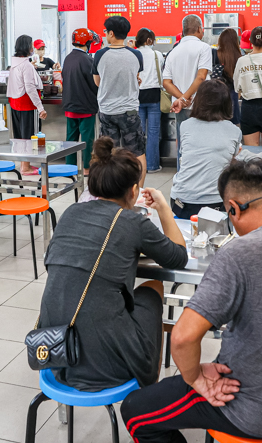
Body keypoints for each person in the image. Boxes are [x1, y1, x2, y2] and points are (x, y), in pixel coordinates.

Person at [121, 158, 262, 443]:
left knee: (135, 411)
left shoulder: (238, 254)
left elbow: (181, 338)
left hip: (253, 411)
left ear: (233, 208)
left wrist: (196, 380)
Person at [38, 136, 187, 391]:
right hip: (107, 365)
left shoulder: (71, 212)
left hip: (55, 351)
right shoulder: (132, 223)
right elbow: (178, 257)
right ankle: (149, 384)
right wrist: (163, 206)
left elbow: (55, 261)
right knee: (153, 289)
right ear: (133, 191)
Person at [170, 80, 242, 218]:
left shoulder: (185, 126)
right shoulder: (234, 131)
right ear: (227, 103)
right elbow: (230, 161)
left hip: (181, 201)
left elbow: (183, 153)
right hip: (216, 202)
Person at [93, 15, 147, 184]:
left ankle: (112, 190)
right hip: (129, 112)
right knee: (137, 153)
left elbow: (97, 82)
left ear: (110, 33)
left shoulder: (100, 54)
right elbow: (136, 78)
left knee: (109, 154)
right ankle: (138, 192)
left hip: (107, 111)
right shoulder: (136, 54)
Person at [162, 15, 212, 164]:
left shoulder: (173, 52)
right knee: (202, 146)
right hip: (200, 106)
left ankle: (182, 179)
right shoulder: (204, 48)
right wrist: (185, 98)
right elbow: (201, 77)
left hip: (180, 108)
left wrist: (181, 99)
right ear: (199, 29)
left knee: (183, 146)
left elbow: (166, 82)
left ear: (183, 31)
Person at [7, 34, 47, 175]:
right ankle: (26, 167)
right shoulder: (26, 65)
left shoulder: (14, 64)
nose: (33, 48)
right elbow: (30, 87)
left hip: (15, 103)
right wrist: (40, 107)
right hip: (26, 103)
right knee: (28, 135)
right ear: (27, 47)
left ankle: (23, 164)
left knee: (20, 136)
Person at [62, 27, 99, 171]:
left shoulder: (68, 58)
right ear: (88, 42)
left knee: (70, 140)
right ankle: (87, 168)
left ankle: (69, 167)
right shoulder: (88, 60)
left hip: (70, 106)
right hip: (85, 107)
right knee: (87, 140)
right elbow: (95, 83)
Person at [135, 27, 165, 173]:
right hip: (154, 95)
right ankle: (152, 165)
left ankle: (139, 167)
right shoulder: (157, 55)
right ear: (149, 40)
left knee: (139, 132)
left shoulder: (134, 54)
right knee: (153, 132)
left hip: (137, 96)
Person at [212, 28, 242, 125]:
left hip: (215, 95)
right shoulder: (240, 57)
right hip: (233, 97)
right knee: (232, 129)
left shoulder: (214, 53)